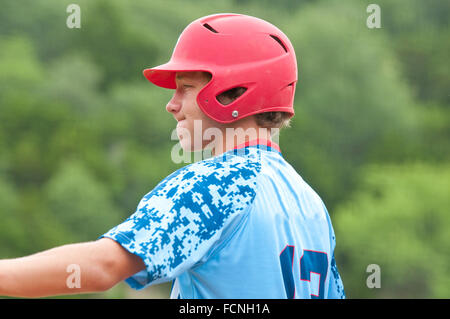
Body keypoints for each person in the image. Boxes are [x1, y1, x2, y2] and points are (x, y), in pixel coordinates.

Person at [0, 13, 345, 299]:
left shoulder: (218, 183)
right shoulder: (311, 205)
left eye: (186, 88)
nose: (172, 105)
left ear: (234, 92)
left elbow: (103, 267)